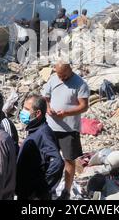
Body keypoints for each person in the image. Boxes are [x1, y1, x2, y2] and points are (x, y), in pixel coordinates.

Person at [42, 60, 90, 200]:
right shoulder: (53, 79)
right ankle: (47, 188)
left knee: (69, 160)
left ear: (70, 69)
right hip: (51, 127)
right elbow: (46, 97)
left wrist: (66, 113)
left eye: (64, 75)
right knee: (49, 159)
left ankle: (66, 192)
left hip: (69, 129)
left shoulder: (80, 83)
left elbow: (84, 106)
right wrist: (48, 107)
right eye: (59, 74)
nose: (61, 78)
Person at [16, 94, 64, 200]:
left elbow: (57, 162)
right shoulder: (35, 130)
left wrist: (42, 188)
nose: (22, 112)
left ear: (38, 113)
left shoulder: (43, 133)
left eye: (27, 109)